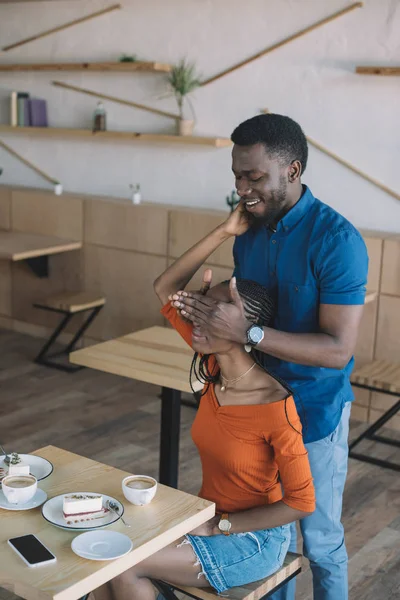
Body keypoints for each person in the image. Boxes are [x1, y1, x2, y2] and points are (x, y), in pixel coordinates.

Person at [174, 113, 369, 600]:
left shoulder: (338, 242)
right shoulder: (250, 230)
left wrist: (250, 332)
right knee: (264, 535)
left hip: (314, 412)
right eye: (237, 175)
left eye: (254, 177)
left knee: (320, 543)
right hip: (254, 412)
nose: (242, 187)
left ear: (293, 171)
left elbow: (337, 349)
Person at [92, 222, 315, 600]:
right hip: (204, 518)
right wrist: (225, 230)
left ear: (241, 327)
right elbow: (165, 287)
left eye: (210, 312)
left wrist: (220, 525)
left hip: (251, 540)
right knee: (104, 561)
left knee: (123, 565)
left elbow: (301, 502)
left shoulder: (275, 405)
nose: (196, 318)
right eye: (199, 307)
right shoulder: (213, 369)